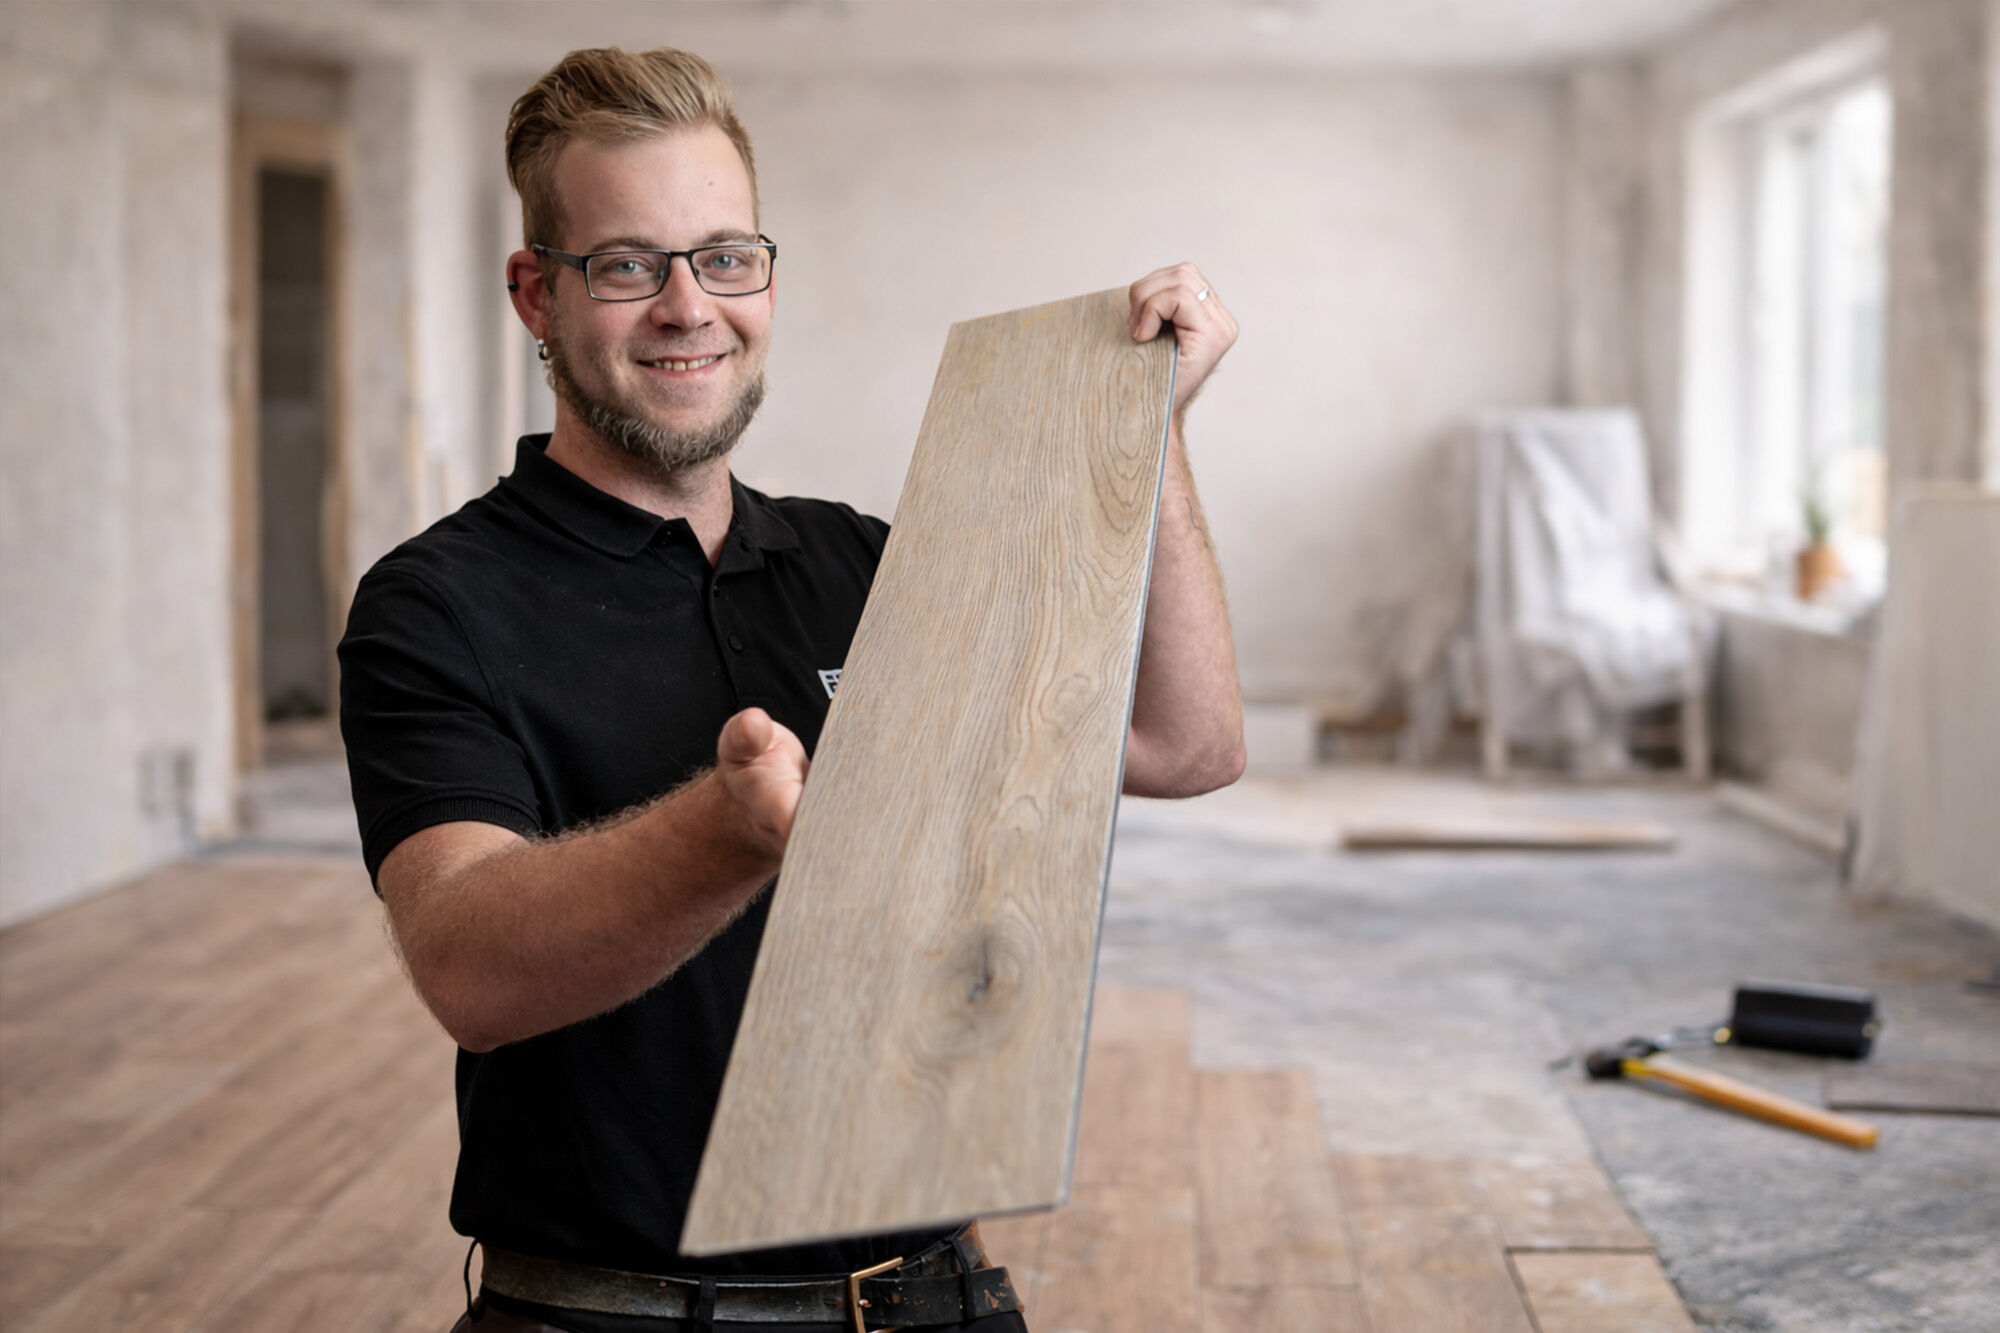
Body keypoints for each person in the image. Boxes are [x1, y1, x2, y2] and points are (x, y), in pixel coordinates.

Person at [338, 45, 1244, 1333]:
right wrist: (728, 832)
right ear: (537, 294)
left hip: (935, 1297)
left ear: (765, 276)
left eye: (724, 257)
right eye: (627, 265)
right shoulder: (438, 603)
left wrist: (1152, 426)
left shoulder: (868, 563)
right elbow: (467, 969)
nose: (687, 307)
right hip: (618, 1315)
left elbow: (1184, 743)